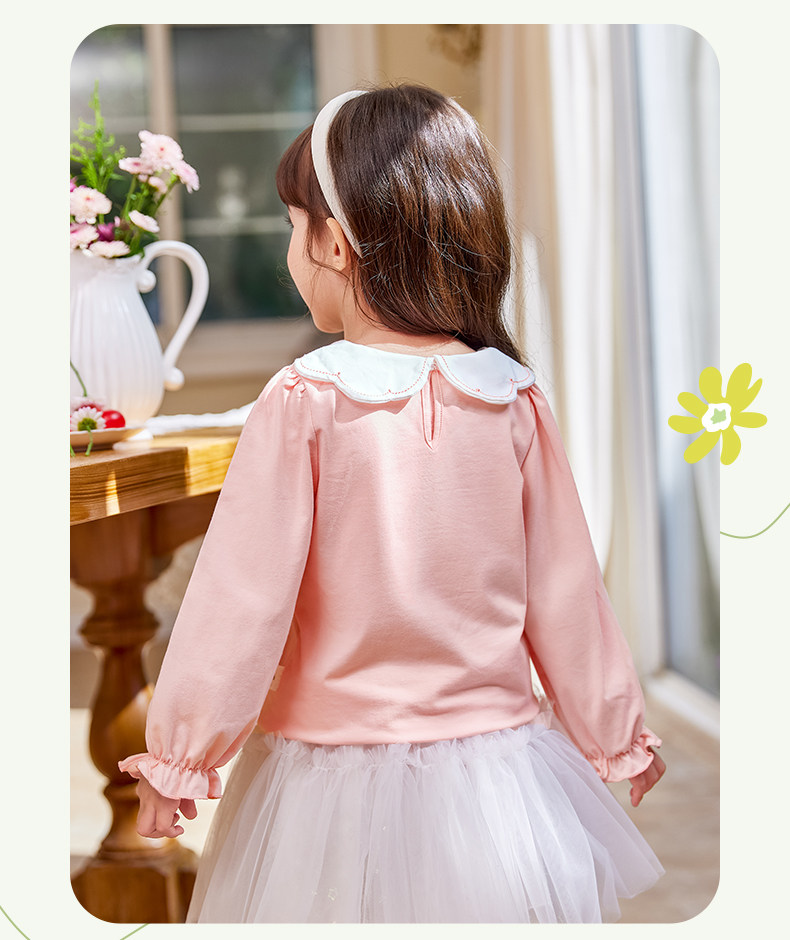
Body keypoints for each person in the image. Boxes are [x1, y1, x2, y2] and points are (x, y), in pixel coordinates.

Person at [119, 84, 667, 924]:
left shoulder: (304, 398)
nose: (291, 251)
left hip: (329, 772)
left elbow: (239, 602)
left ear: (335, 244)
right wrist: (614, 733)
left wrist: (181, 756)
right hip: (499, 773)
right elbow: (568, 590)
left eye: (293, 227)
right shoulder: (511, 395)